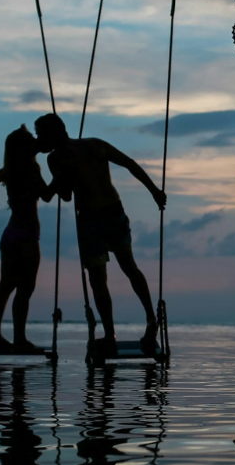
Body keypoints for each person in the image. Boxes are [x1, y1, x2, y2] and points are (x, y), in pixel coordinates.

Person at [34, 113, 166, 353]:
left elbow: (64, 196)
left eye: (39, 134)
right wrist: (154, 191)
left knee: (98, 281)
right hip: (115, 213)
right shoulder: (95, 144)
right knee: (129, 267)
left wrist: (50, 179)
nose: (37, 139)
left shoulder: (55, 158)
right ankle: (150, 319)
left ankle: (109, 334)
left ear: (50, 135)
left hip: (91, 222)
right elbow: (130, 164)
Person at [0, 125, 55, 351]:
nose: (34, 142)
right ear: (24, 148)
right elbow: (47, 196)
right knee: (25, 288)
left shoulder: (10, 169)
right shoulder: (31, 168)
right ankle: (19, 338)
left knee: (6, 285)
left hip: (10, 235)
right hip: (27, 236)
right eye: (31, 139)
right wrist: (61, 177)